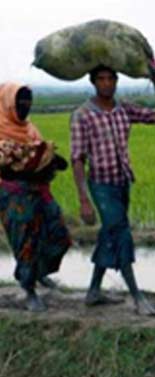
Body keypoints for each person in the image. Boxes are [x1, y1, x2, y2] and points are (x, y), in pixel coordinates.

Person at [70, 62, 155, 316]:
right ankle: (137, 296)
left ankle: (93, 291)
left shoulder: (123, 109)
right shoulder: (82, 115)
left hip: (122, 181)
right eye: (101, 79)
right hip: (101, 185)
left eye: (111, 79)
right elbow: (77, 159)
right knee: (122, 233)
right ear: (93, 82)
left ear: (116, 81)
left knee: (110, 234)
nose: (107, 84)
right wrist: (84, 199)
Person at [0, 82, 71, 312]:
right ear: (7, 103)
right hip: (13, 195)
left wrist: (49, 160)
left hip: (39, 190)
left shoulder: (30, 129)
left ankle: (37, 273)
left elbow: (39, 154)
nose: (25, 105)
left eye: (28, 100)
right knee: (25, 241)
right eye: (20, 100)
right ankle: (29, 290)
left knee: (59, 235)